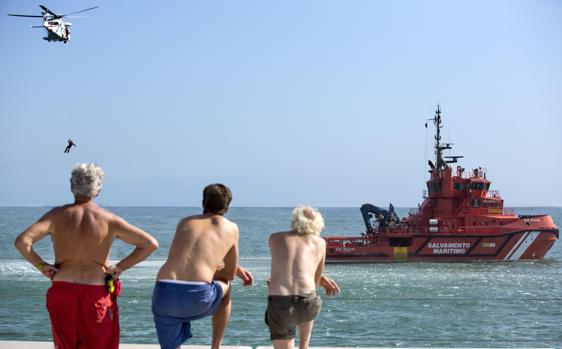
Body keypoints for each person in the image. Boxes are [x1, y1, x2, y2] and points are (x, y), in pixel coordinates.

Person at [14, 163, 158, 349]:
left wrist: (42, 266)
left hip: (63, 287)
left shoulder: (57, 215)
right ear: (98, 190)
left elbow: (22, 242)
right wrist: (120, 267)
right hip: (95, 291)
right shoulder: (108, 219)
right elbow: (149, 244)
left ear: (72, 187)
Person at [152, 183, 239, 349]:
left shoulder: (184, 222)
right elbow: (229, 274)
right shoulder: (231, 227)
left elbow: (186, 258)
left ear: (203, 203)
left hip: (164, 293)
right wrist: (215, 268)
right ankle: (215, 346)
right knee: (226, 287)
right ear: (227, 207)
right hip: (198, 296)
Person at [266, 206, 327, 349]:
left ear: (294, 220)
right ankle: (304, 345)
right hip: (308, 304)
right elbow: (315, 279)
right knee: (309, 297)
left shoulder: (275, 238)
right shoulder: (320, 243)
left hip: (281, 302)